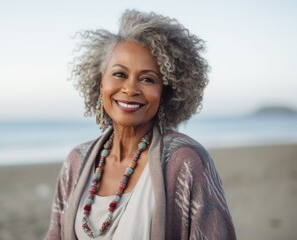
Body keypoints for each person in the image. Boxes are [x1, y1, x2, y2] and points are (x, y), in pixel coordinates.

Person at [45, 9, 236, 240]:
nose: (130, 89)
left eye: (147, 79)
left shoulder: (186, 161)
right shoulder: (76, 161)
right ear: (100, 82)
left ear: (165, 92)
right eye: (119, 74)